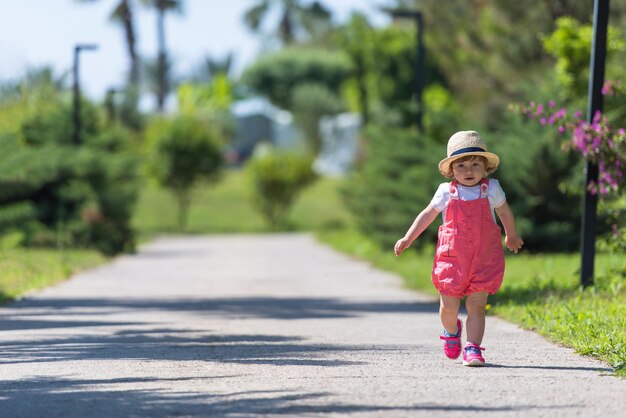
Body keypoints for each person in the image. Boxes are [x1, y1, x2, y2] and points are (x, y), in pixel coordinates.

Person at [394, 130, 523, 367]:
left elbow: (504, 212)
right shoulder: (446, 192)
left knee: (476, 305)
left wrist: (511, 235)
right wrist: (408, 237)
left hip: (483, 257)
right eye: (461, 165)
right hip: (452, 259)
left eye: (475, 164)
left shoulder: (491, 189)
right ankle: (452, 332)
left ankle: (473, 348)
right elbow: (427, 215)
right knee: (448, 308)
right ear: (451, 170)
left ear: (486, 168)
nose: (469, 171)